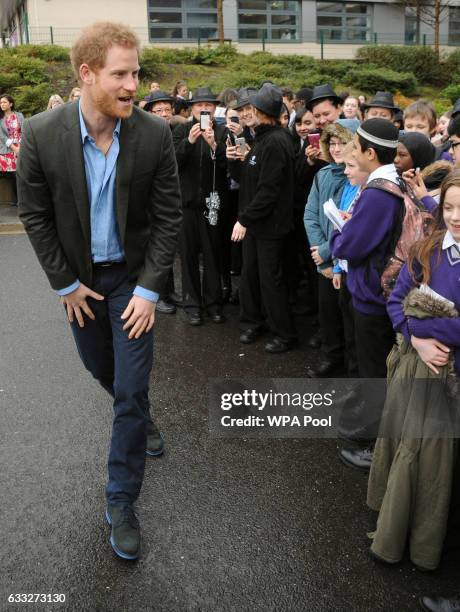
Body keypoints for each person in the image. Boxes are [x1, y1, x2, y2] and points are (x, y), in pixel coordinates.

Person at [17, 22, 182, 561]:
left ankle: (120, 502)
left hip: (133, 284)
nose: (134, 83)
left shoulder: (155, 135)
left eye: (136, 72)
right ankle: (140, 416)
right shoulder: (42, 134)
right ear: (87, 75)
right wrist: (64, 283)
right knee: (101, 369)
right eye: (121, 74)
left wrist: (151, 291)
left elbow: (166, 219)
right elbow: (35, 216)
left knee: (130, 389)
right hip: (82, 286)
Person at [367, 170, 460, 571]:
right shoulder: (427, 249)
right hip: (415, 369)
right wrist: (416, 334)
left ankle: (425, 544)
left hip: (450, 383)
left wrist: (425, 320)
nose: (455, 216)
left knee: (436, 467)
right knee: (407, 450)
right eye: (450, 206)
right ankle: (394, 526)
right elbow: (395, 302)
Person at [331, 118, 402, 469]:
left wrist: (338, 237)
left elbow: (352, 246)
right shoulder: (392, 182)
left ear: (371, 153)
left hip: (373, 297)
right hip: (381, 291)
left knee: (376, 372)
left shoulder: (378, 193)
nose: (352, 154)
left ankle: (375, 448)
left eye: (356, 148)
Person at [228, 83, 297, 353]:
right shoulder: (260, 139)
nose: (247, 113)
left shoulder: (276, 141)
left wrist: (244, 219)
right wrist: (237, 160)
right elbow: (248, 180)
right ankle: (253, 322)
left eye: (251, 108)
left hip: (270, 226)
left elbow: (269, 191)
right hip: (256, 224)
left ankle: (285, 333)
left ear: (262, 111)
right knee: (251, 275)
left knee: (270, 279)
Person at [173, 87, 228, 326]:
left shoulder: (223, 131)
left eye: (209, 105)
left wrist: (215, 145)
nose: (204, 109)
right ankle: (192, 305)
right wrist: (190, 141)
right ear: (191, 108)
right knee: (188, 257)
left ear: (215, 109)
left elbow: (230, 167)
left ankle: (214, 304)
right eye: (199, 105)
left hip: (212, 205)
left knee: (213, 255)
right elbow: (172, 163)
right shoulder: (181, 130)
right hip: (185, 205)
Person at [304, 122, 353, 376]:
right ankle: (331, 356)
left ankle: (349, 363)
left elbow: (350, 222)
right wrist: (319, 251)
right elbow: (310, 214)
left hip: (344, 258)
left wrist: (326, 250)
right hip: (322, 257)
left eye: (341, 143)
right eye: (331, 144)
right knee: (328, 312)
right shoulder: (322, 174)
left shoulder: (356, 178)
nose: (335, 149)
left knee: (348, 316)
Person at [144, 90, 180, 315]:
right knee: (154, 247)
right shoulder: (145, 134)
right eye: (158, 110)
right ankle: (157, 295)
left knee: (169, 245)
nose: (164, 114)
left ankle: (170, 291)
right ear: (149, 112)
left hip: (170, 199)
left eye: (167, 109)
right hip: (149, 199)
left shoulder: (176, 130)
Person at [0, 94, 24, 205]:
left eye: (4, 102)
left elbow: (24, 130)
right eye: (1, 103)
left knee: (20, 173)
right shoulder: (0, 119)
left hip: (21, 147)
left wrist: (20, 146)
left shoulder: (19, 116)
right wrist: (14, 148)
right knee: (12, 174)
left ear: (11, 104)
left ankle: (21, 199)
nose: (2, 104)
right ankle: (16, 199)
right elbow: (2, 136)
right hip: (8, 149)